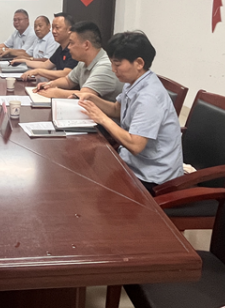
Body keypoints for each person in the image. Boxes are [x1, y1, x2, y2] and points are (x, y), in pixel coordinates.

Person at [78, 31, 183, 194]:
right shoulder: (133, 81)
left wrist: (102, 118)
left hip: (152, 177)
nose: (113, 69)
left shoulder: (149, 97)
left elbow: (135, 145)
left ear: (139, 63)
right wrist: (93, 99)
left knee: (90, 185)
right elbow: (117, 109)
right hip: (132, 162)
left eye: (117, 64)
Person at [33, 21, 121, 100]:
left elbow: (85, 94)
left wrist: (56, 93)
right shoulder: (83, 62)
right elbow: (68, 81)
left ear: (86, 45)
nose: (68, 47)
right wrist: (51, 84)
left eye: (71, 43)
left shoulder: (106, 66)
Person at [16, 12, 78, 81]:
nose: (53, 31)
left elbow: (66, 74)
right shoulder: (61, 48)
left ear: (69, 30)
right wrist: (23, 61)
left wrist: (39, 71)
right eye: (53, 28)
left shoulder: (75, 49)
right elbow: (45, 65)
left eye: (57, 28)